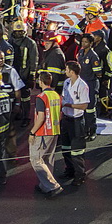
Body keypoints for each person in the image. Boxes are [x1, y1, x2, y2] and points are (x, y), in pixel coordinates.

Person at [28, 71, 64, 199]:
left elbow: (41, 117)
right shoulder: (56, 95)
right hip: (54, 131)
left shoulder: (41, 97)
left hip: (43, 132)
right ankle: (45, 185)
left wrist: (32, 132)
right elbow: (60, 114)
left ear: (40, 81)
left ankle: (52, 186)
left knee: (36, 159)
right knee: (48, 159)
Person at [60, 62, 89, 186]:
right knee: (65, 148)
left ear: (72, 71)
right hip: (66, 119)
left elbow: (84, 106)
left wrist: (68, 105)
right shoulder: (66, 82)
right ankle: (69, 170)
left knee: (77, 151)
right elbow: (62, 98)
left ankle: (80, 175)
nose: (65, 71)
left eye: (66, 69)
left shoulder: (83, 86)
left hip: (77, 121)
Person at [76, 33, 103, 138]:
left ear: (91, 43)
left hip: (91, 84)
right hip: (82, 84)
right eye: (82, 41)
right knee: (82, 108)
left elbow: (98, 73)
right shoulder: (81, 52)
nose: (83, 44)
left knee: (90, 109)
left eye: (86, 42)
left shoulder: (93, 56)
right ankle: (84, 129)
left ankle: (92, 131)